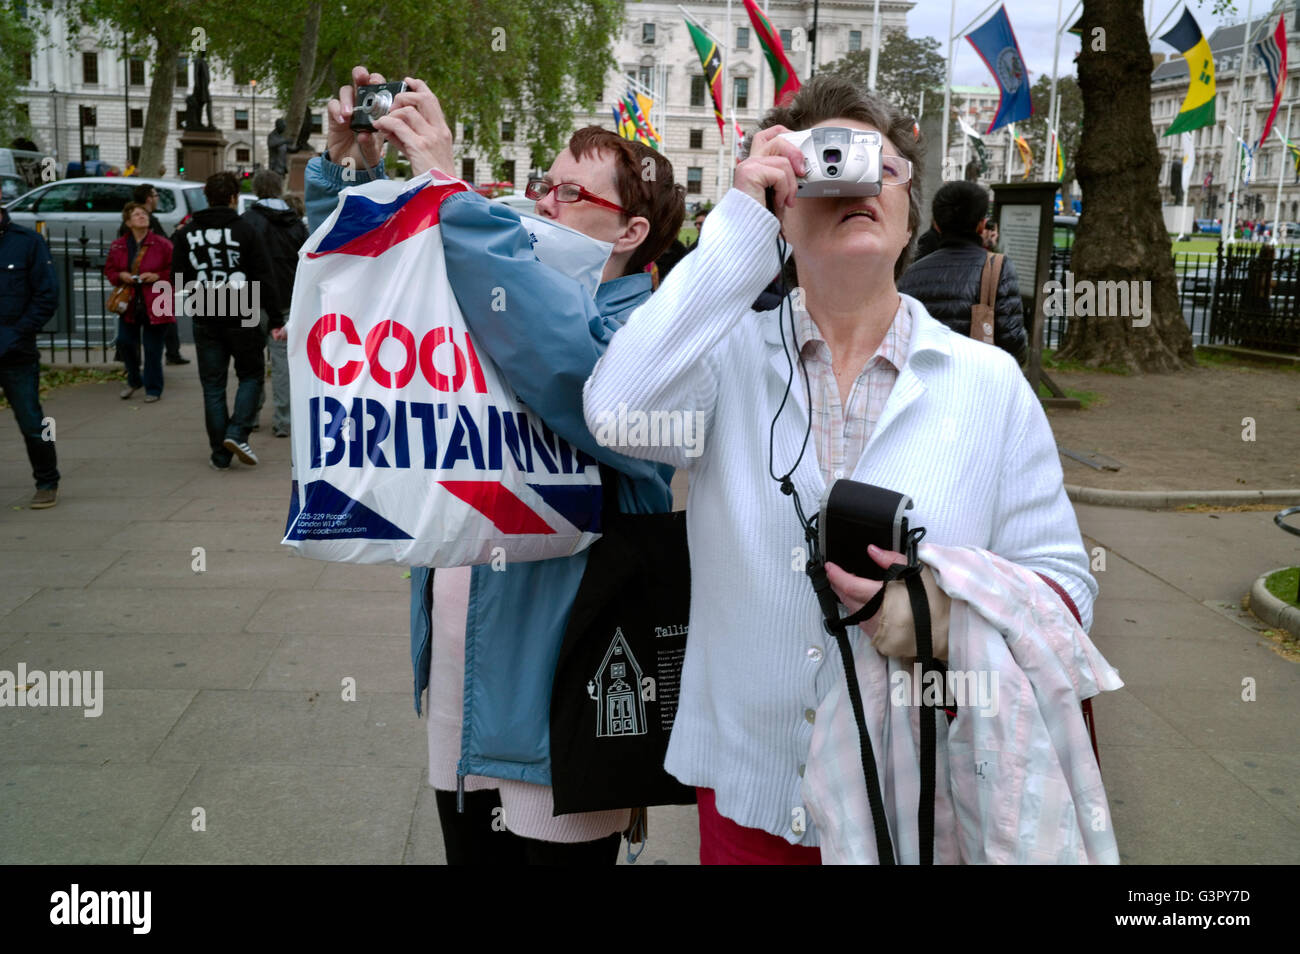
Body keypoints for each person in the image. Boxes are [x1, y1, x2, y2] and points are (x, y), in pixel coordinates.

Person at [584, 75, 1098, 864]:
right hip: (752, 801)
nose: (856, 181)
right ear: (785, 202)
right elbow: (617, 410)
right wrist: (738, 230)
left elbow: (1065, 585)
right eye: (823, 166)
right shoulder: (726, 362)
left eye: (880, 166)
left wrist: (943, 618)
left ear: (909, 217)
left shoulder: (988, 384)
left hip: (920, 807)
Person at [306, 65, 684, 864]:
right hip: (464, 683)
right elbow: (369, 294)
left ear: (630, 234)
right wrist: (352, 170)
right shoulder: (508, 289)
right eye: (545, 186)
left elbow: (573, 374)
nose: (545, 202)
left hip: (558, 704)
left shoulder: (649, 334)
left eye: (572, 195)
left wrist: (450, 193)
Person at [170, 171, 283, 469]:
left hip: (206, 310)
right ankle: (237, 432)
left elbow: (178, 278)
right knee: (250, 375)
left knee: (213, 385)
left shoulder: (186, 234)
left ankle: (220, 454)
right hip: (241, 308)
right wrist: (274, 317)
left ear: (206, 196)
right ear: (234, 198)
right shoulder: (246, 230)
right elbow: (264, 275)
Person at [898, 180, 1027, 363]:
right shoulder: (998, 267)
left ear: (937, 224)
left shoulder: (910, 273)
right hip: (978, 381)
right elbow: (1013, 342)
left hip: (926, 380)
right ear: (981, 225)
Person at [0, 203, 60, 509]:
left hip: (16, 352)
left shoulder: (27, 242)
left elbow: (47, 294)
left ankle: (47, 480)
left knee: (31, 421)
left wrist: (18, 332)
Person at [242, 169, 307, 438]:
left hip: (252, 300)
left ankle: (250, 416)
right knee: (283, 365)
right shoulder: (294, 223)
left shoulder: (246, 221)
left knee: (252, 363)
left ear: (256, 189)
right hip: (286, 298)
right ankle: (285, 420)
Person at [105, 203, 174, 402]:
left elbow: (177, 269)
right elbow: (110, 271)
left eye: (144, 213)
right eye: (136, 215)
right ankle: (134, 379)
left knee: (153, 348)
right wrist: (121, 276)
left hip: (157, 300)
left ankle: (153, 389)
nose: (142, 217)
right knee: (125, 342)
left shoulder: (162, 244)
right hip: (130, 303)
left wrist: (157, 276)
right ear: (128, 222)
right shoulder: (118, 245)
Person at [118, 184, 189, 366]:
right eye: (156, 195)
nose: (157, 198)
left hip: (142, 281)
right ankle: (170, 353)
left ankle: (130, 358)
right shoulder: (149, 221)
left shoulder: (133, 222)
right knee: (161, 317)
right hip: (150, 281)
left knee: (133, 321)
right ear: (149, 198)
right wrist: (177, 234)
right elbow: (164, 247)